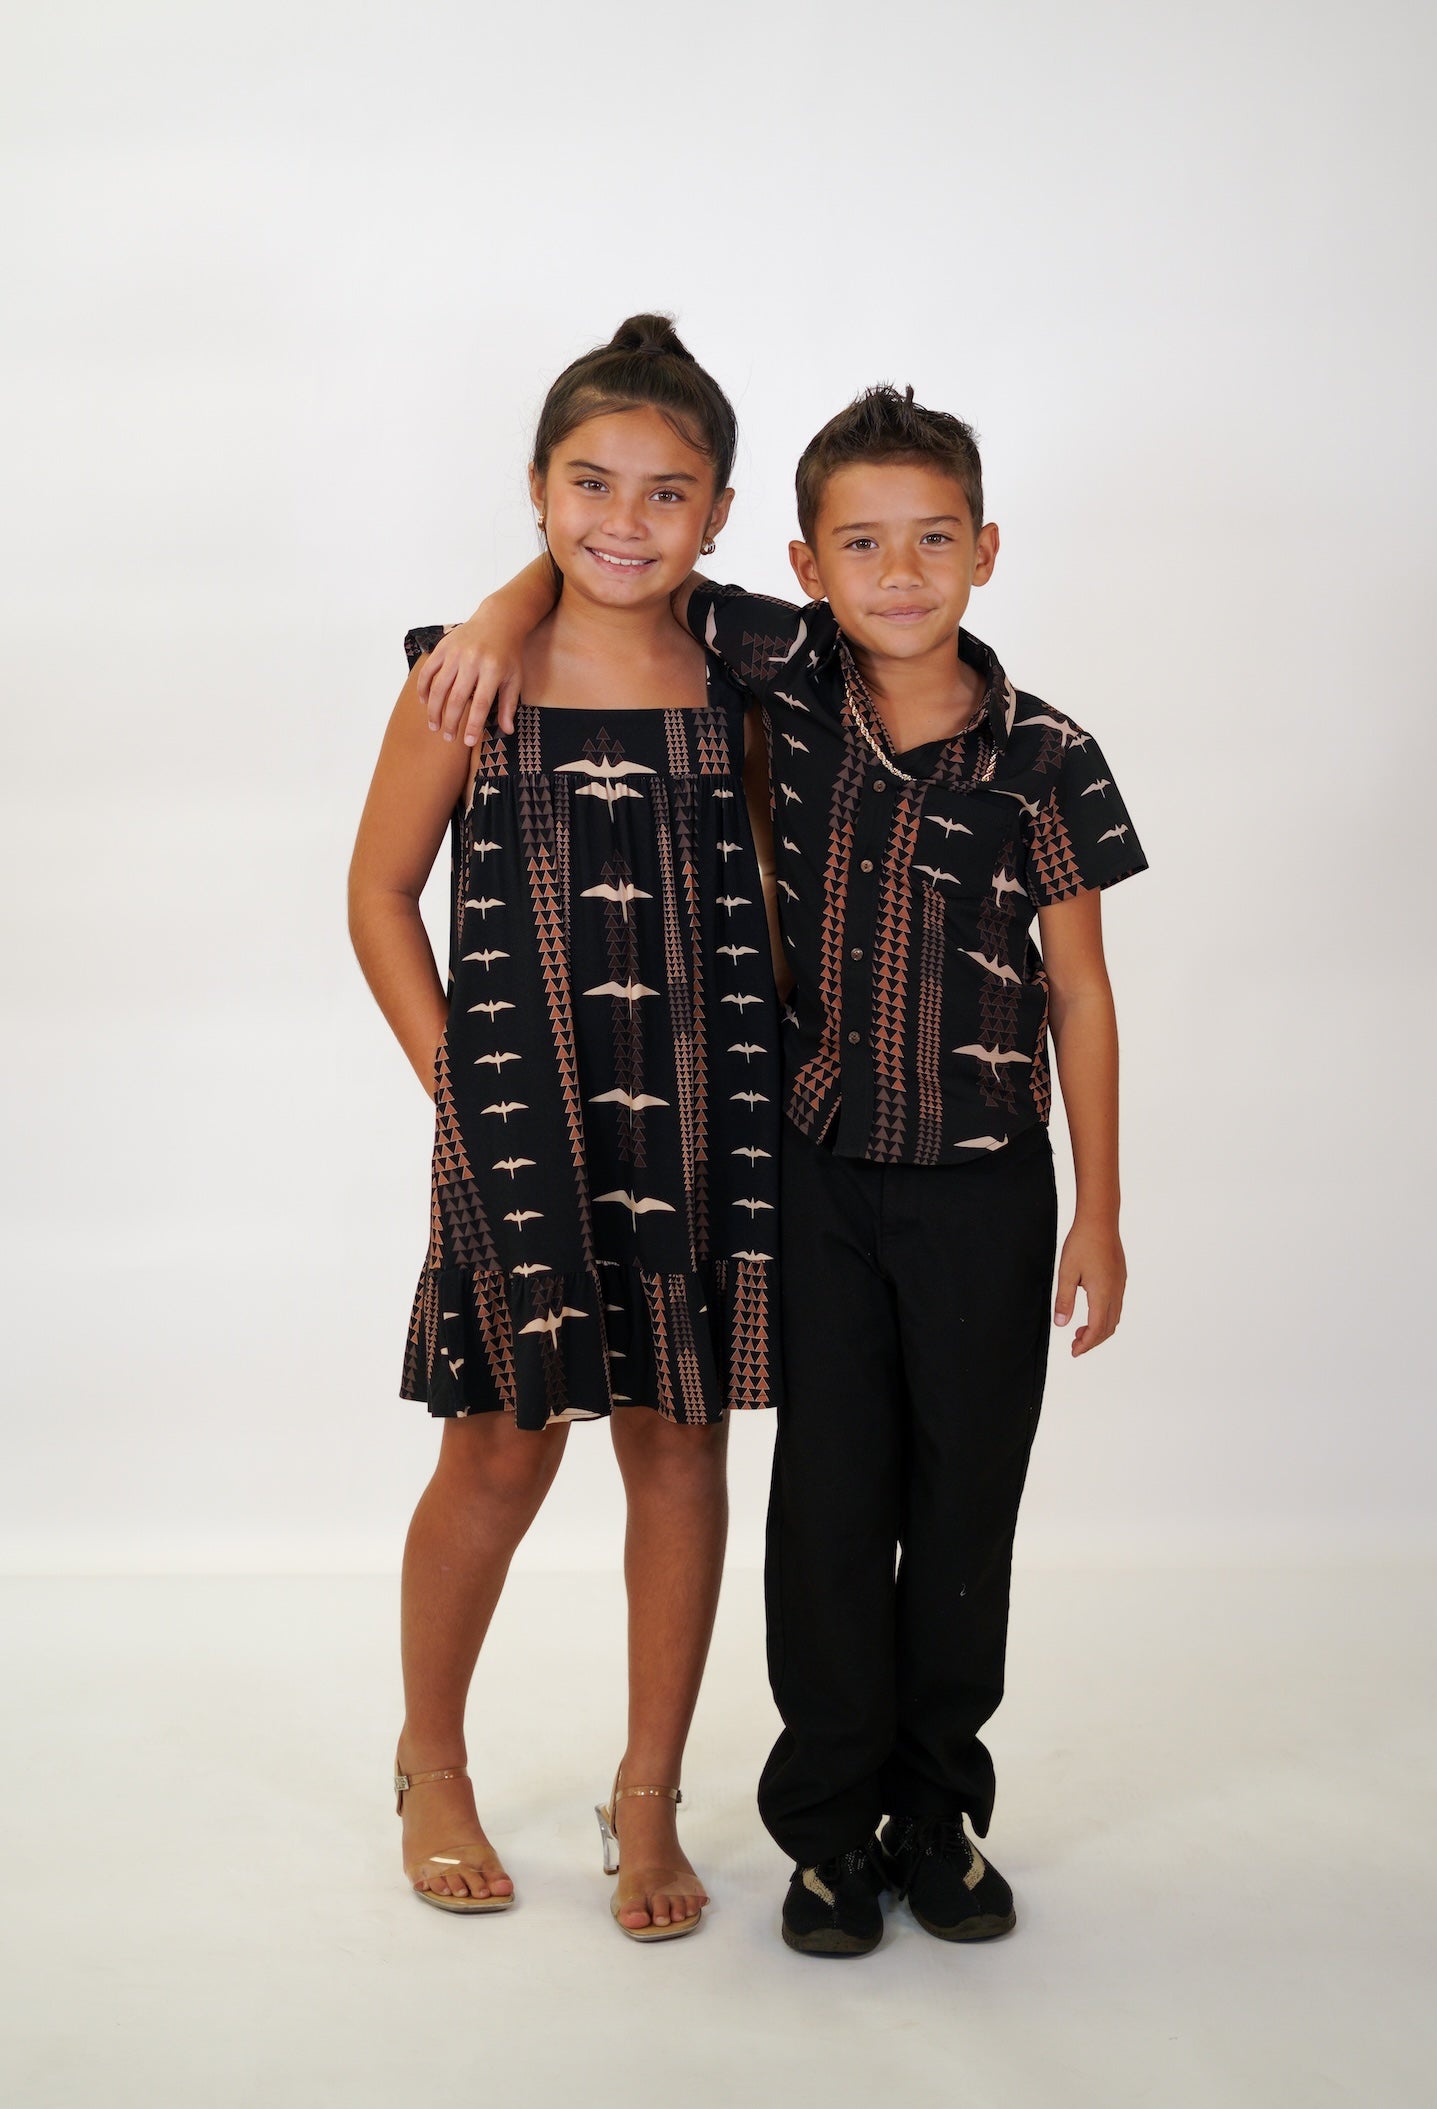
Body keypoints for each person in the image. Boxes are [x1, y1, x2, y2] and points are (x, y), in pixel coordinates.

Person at [415, 382, 1147, 1955]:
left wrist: (1100, 1208)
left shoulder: (1048, 753)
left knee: (963, 1507)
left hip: (972, 1177)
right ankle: (822, 1835)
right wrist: (495, 603)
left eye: (935, 539)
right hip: (809, 1164)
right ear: (806, 566)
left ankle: (936, 1813)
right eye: (861, 544)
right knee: (823, 1510)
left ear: (988, 550)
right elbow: (624, 555)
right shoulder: (788, 677)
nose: (900, 573)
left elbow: (1084, 989)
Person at [347, 315, 784, 1940]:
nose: (625, 519)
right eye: (591, 483)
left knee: (680, 1444)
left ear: (720, 513)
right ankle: (431, 1759)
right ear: (535, 488)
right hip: (516, 1119)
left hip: (705, 1119)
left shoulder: (745, 679)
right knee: (498, 1446)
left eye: (669, 493)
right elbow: (379, 890)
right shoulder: (472, 679)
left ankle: (647, 1794)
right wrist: (453, 1078)